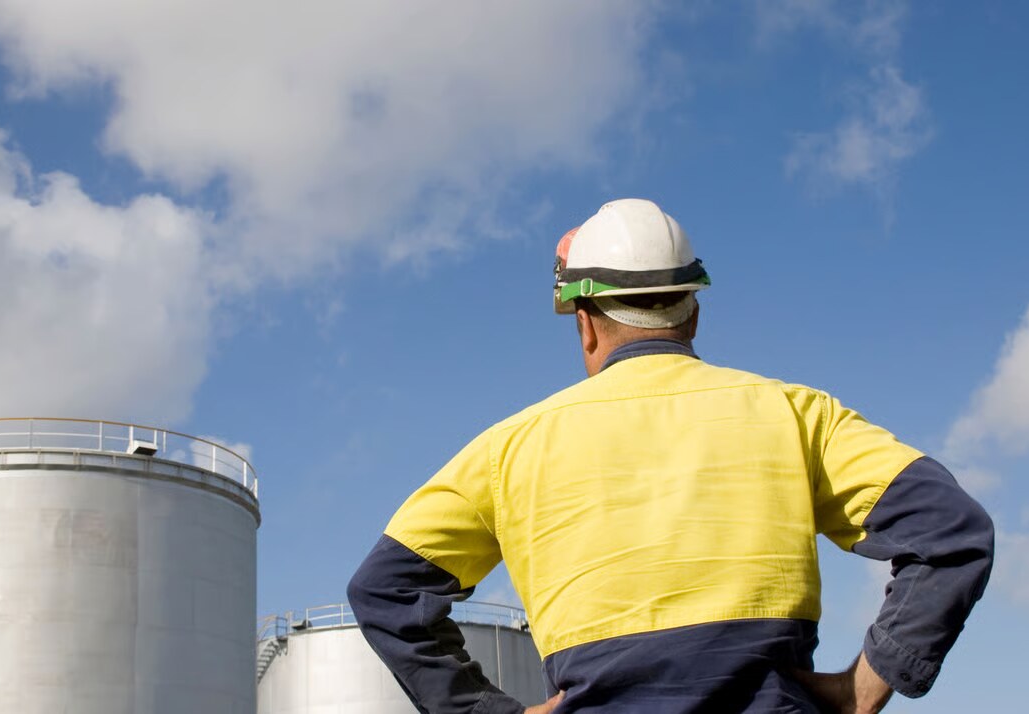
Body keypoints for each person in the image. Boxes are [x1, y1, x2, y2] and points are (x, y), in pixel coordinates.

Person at [347, 198, 994, 713]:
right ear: (693, 313)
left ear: (584, 322)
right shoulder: (796, 415)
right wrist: (864, 686)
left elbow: (386, 590)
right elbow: (950, 530)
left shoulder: (509, 449)